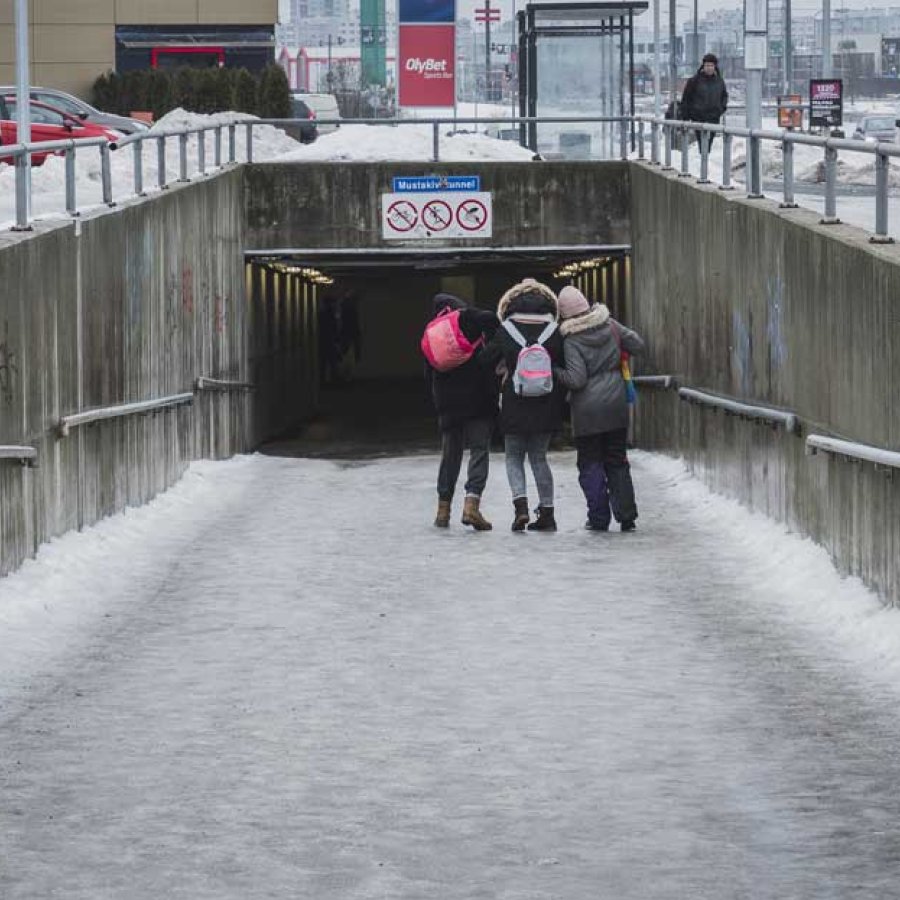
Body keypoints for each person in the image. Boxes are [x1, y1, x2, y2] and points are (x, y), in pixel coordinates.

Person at [553, 285, 645, 532]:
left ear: (563, 314)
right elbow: (637, 344)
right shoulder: (611, 325)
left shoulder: (571, 340)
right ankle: (627, 516)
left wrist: (554, 370)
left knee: (590, 464)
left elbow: (577, 379)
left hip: (587, 413)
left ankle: (598, 518)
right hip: (615, 405)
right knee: (617, 460)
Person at [481, 278, 565, 532]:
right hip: (545, 401)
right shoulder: (554, 330)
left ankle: (521, 509)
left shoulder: (506, 329)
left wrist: (505, 362)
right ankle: (548, 513)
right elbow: (563, 363)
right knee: (539, 458)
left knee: (513, 457)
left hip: (514, 402)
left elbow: (484, 360)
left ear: (511, 304)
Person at [424, 293, 500, 530]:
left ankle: (443, 510)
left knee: (450, 455)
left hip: (448, 405)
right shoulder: (466, 317)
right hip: (478, 400)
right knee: (479, 450)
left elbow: (429, 374)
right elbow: (490, 317)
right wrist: (492, 346)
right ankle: (471, 506)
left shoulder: (432, 333)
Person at [680, 53, 728, 152]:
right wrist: (686, 116)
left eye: (711, 65)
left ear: (715, 66)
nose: (709, 68)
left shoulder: (719, 81)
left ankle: (705, 162)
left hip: (714, 117)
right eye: (707, 65)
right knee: (702, 144)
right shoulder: (694, 81)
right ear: (703, 66)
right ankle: (703, 162)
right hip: (698, 118)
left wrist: (721, 109)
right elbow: (686, 98)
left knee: (709, 144)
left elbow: (724, 96)